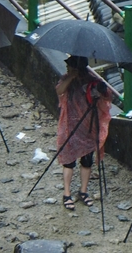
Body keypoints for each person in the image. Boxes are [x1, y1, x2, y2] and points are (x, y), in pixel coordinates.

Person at [56, 56, 110, 211]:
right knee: (69, 160)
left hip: (89, 124)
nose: (68, 69)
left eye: (70, 67)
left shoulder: (92, 80)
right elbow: (59, 90)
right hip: (70, 124)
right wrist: (71, 77)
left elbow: (106, 97)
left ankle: (83, 191)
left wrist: (100, 91)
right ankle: (67, 193)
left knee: (87, 159)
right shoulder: (66, 79)